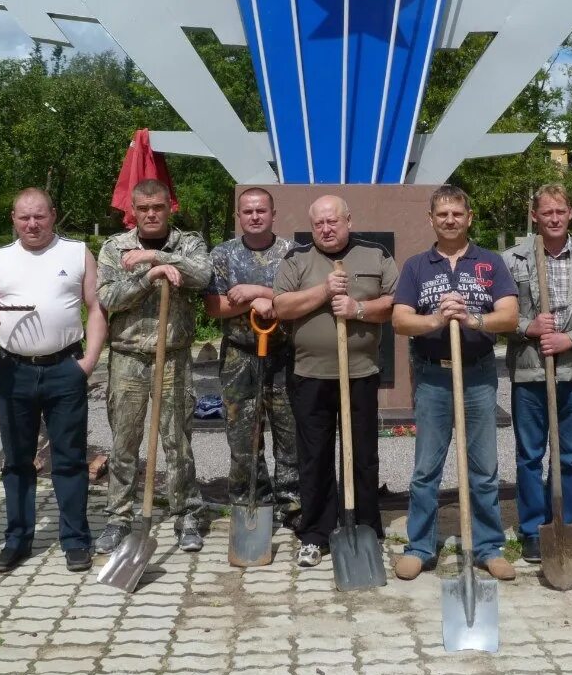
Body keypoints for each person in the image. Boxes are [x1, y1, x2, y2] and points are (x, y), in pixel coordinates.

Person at [0, 188, 105, 573]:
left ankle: (76, 540)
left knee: (69, 459)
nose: (32, 224)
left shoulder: (77, 253)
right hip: (14, 371)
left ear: (53, 215)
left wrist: (90, 360)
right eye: (24, 217)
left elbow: (95, 308)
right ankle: (17, 540)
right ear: (13, 218)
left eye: (40, 216)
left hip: (66, 368)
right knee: (16, 461)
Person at [391, 185, 519, 582]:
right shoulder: (416, 266)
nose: (450, 220)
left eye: (457, 214)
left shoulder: (490, 263)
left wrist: (470, 320)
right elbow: (399, 320)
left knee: (483, 467)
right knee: (426, 468)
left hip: (478, 374)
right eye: (442, 214)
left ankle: (487, 547)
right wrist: (435, 320)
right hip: (433, 375)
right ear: (431, 219)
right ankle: (420, 547)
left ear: (469, 217)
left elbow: (510, 317)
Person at [272, 195, 397, 568]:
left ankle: (364, 527)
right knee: (315, 457)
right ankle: (316, 533)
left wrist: (358, 308)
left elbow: (396, 303)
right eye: (319, 224)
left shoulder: (375, 255)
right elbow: (281, 307)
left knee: (361, 455)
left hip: (360, 373)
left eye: (333, 221)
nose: (326, 229)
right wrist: (324, 292)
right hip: (310, 375)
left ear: (348, 220)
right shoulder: (297, 260)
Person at [94, 179, 211, 555]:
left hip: (173, 357)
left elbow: (203, 275)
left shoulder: (187, 243)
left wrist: (158, 258)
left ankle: (186, 513)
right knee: (124, 442)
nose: (150, 214)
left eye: (157, 207)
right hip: (128, 358)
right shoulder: (115, 247)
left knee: (178, 441)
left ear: (168, 207)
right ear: (134, 209)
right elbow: (108, 297)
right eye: (143, 208)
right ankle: (119, 517)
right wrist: (150, 277)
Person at [501, 184, 572, 564]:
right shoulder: (512, 260)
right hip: (529, 370)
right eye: (546, 212)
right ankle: (532, 529)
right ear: (534, 216)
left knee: (568, 455)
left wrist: (570, 339)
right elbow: (501, 312)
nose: (554, 218)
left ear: (570, 214)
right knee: (529, 454)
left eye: (560, 211)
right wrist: (527, 326)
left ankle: (563, 521)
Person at [203, 187, 300, 529]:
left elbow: (302, 300)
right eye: (248, 211)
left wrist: (259, 292)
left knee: (290, 433)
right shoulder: (223, 255)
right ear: (239, 216)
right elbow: (214, 307)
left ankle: (291, 502)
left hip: (286, 354)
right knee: (243, 435)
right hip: (240, 356)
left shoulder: (293, 253)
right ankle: (250, 499)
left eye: (261, 211)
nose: (255, 216)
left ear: (273, 214)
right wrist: (250, 303)